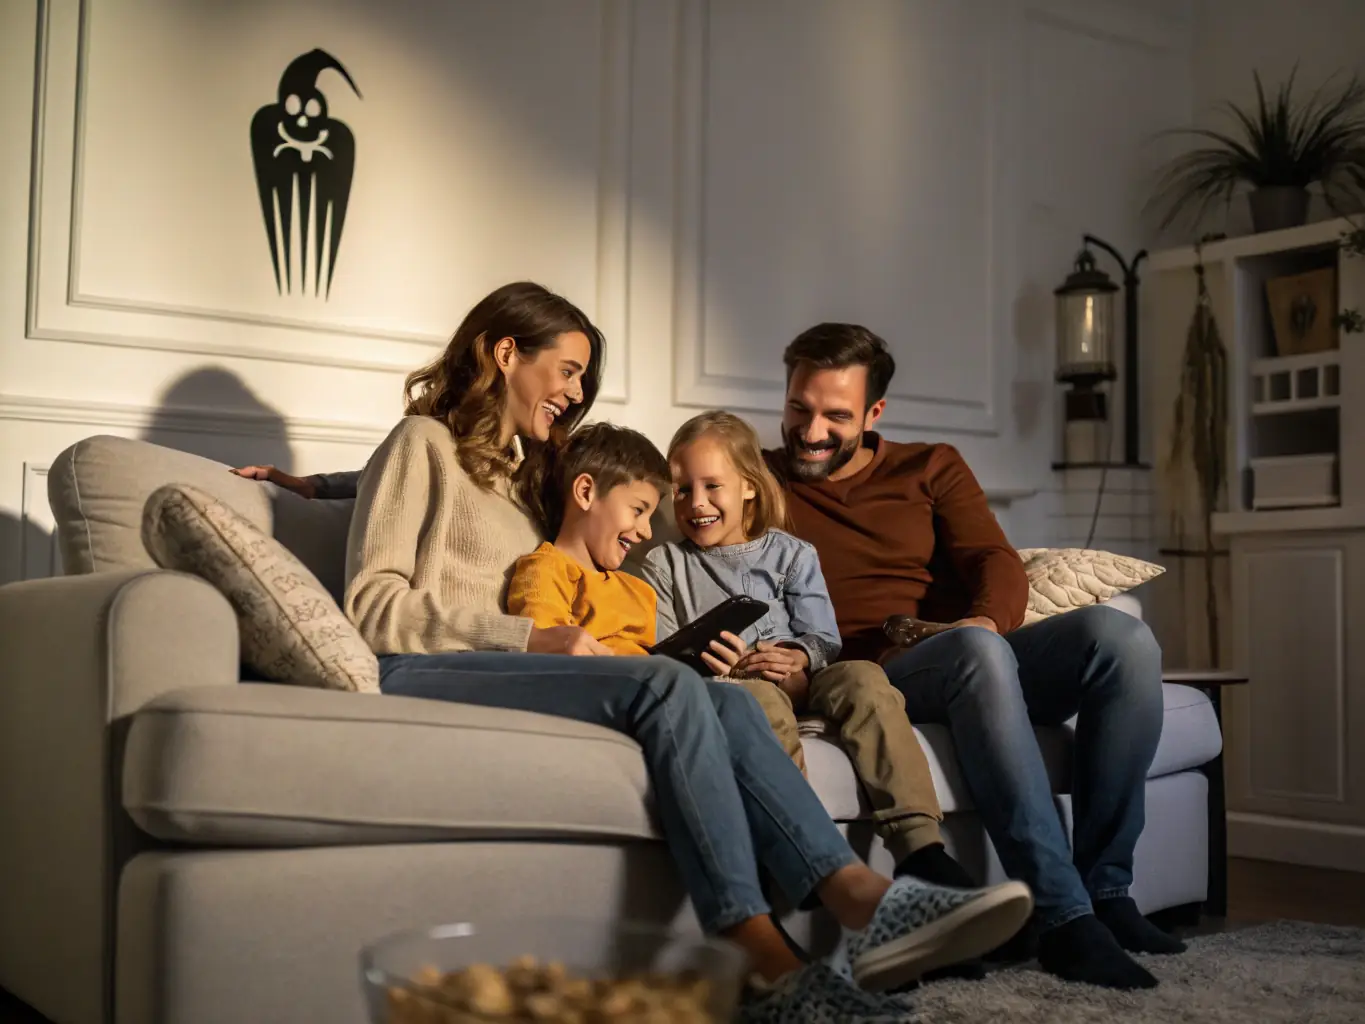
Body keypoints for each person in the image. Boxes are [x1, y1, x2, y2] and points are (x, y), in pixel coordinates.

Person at [327, 281, 1033, 1015]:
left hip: (520, 669)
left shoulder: (527, 475)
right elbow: (371, 607)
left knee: (721, 698)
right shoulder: (420, 444)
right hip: (427, 669)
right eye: (567, 371)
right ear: (506, 353)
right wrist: (530, 634)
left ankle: (861, 903)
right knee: (666, 682)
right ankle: (760, 957)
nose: (574, 393)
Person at [763, 322, 1181, 991]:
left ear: (874, 414)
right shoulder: (754, 484)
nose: (811, 431)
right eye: (797, 409)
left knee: (1123, 642)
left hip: (961, 645)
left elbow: (992, 558)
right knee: (975, 652)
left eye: (835, 416)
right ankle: (1060, 917)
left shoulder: (929, 466)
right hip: (879, 671)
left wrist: (983, 622)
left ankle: (1106, 894)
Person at [640, 412, 976, 898]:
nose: (697, 503)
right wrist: (718, 665)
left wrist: (797, 657)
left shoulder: (792, 554)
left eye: (713, 486)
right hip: (736, 688)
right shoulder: (665, 564)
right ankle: (794, 845)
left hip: (806, 676)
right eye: (683, 490)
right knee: (761, 700)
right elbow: (664, 654)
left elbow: (823, 636)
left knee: (863, 677)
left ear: (750, 486)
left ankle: (920, 848)